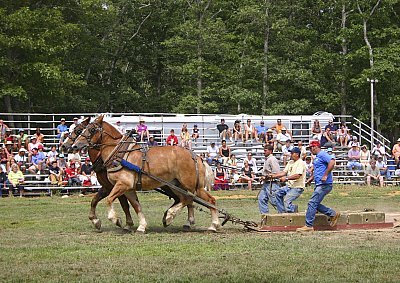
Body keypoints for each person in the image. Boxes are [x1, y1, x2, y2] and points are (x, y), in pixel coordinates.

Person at [296, 140, 340, 232]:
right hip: (320, 184)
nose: (310, 150)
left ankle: (309, 225)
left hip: (324, 184)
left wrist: (325, 175)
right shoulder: (317, 157)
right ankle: (332, 214)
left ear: (315, 147)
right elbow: (318, 170)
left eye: (311, 148)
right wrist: (311, 178)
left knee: (312, 203)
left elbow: (332, 162)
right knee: (314, 204)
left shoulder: (322, 154)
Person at [270, 147, 306, 213]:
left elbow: (297, 175)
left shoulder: (300, 163)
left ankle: (292, 210)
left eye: (292, 153)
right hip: (289, 186)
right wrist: (273, 176)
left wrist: (286, 178)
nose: (291, 154)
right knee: (277, 194)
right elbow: (284, 172)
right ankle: (282, 213)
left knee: (286, 200)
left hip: (297, 187)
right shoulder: (290, 162)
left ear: (297, 154)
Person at [258, 144, 281, 214]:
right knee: (261, 198)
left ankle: (287, 211)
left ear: (270, 151)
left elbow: (276, 172)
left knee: (274, 201)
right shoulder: (267, 159)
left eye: (265, 150)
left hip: (272, 184)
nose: (263, 152)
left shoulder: (272, 159)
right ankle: (265, 216)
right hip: (266, 183)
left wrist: (266, 177)